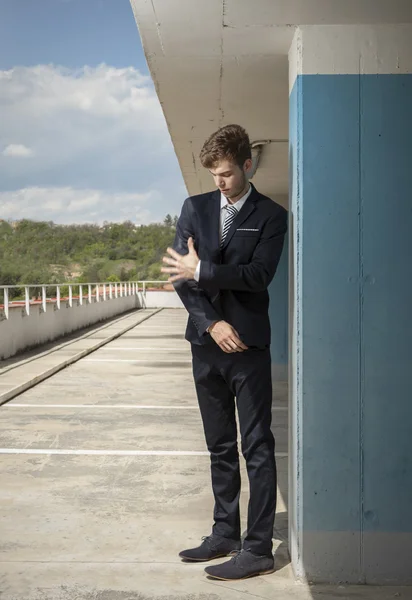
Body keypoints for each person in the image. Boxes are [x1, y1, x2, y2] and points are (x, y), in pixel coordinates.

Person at [161, 124, 287, 581]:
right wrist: (211, 322)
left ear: (248, 166)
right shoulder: (194, 209)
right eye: (214, 174)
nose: (220, 181)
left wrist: (205, 268)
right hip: (207, 345)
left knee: (257, 446)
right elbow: (181, 276)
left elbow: (257, 276)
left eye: (228, 173)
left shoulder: (272, 215)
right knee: (219, 446)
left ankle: (257, 549)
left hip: (249, 347)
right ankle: (224, 532)